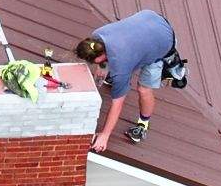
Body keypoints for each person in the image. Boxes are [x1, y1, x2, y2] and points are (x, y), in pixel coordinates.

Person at [75, 9, 179, 148]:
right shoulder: (97, 35)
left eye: (92, 60)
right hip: (151, 18)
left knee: (143, 89)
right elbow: (107, 55)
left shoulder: (121, 66)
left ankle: (143, 124)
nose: (91, 63)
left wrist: (104, 135)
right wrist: (103, 65)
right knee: (119, 68)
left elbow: (117, 104)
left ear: (101, 55)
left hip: (164, 42)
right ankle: (114, 73)